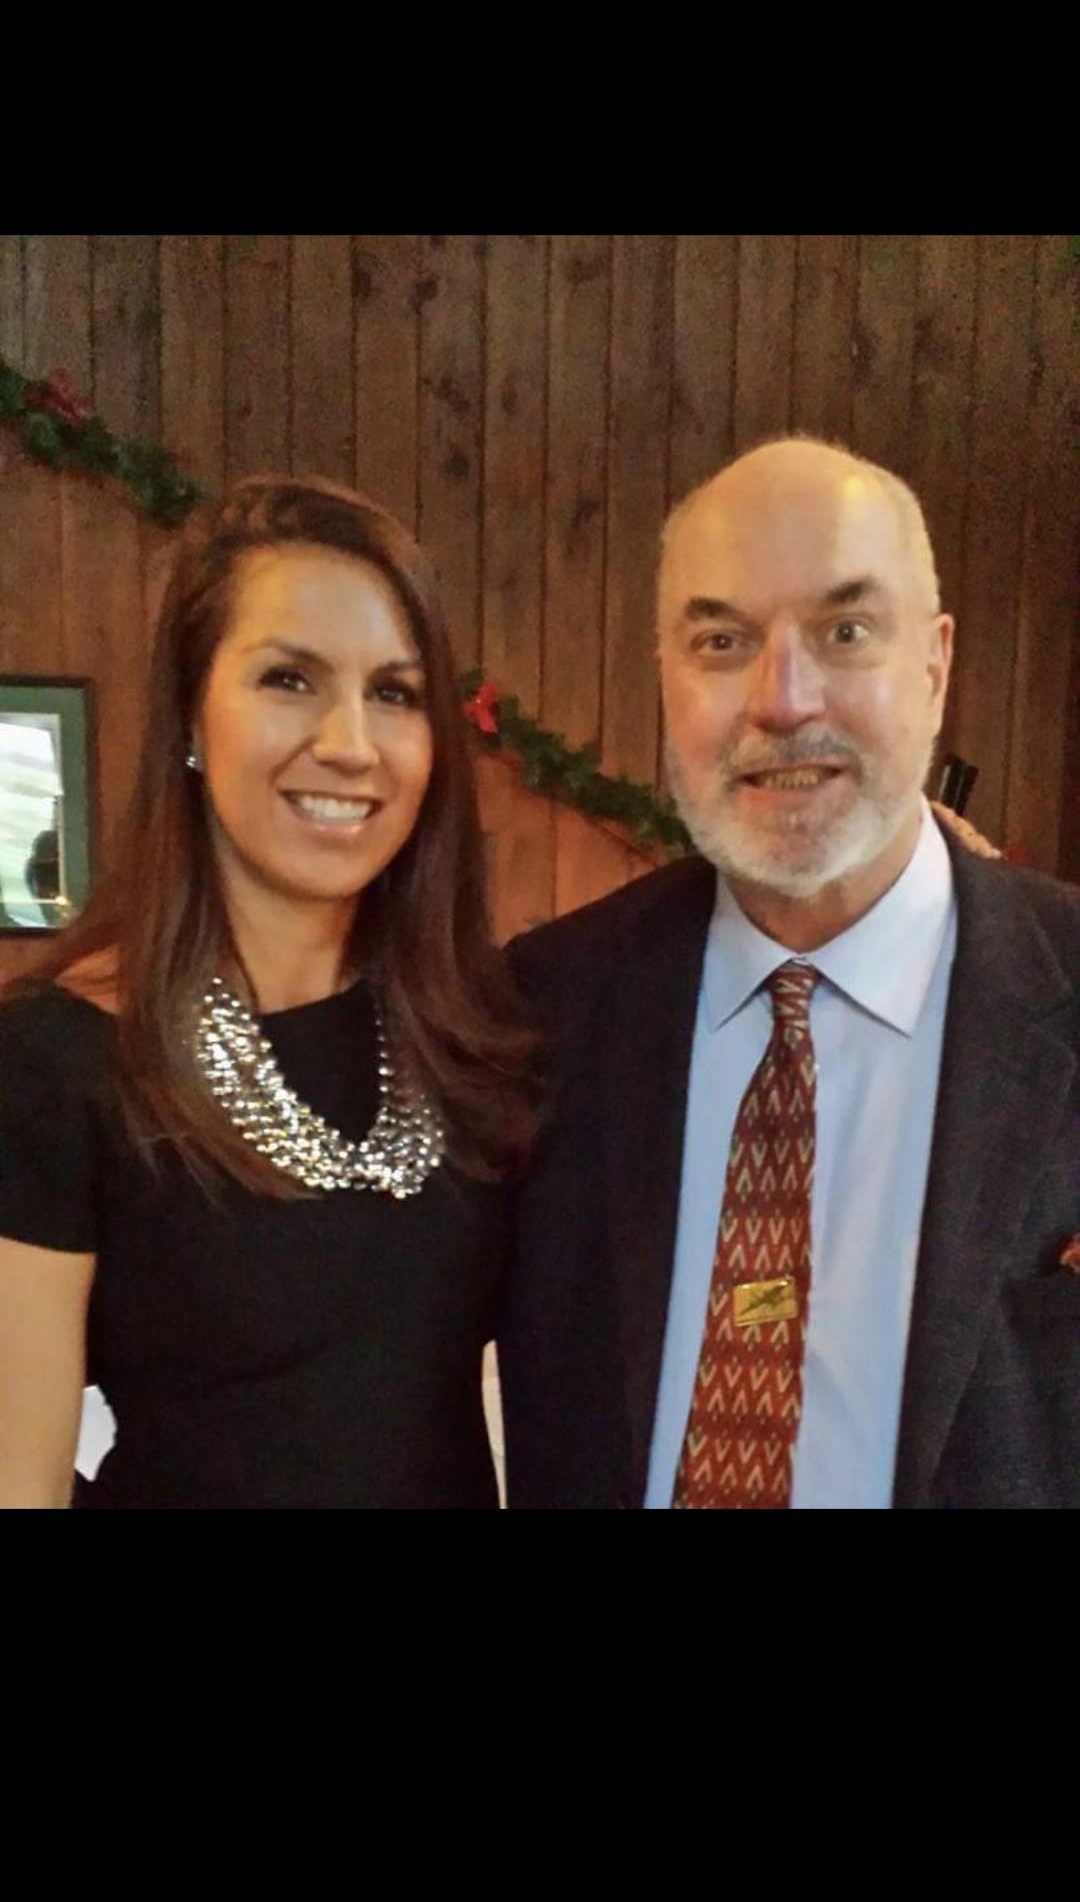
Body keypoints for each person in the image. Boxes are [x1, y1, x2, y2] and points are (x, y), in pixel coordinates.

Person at [498, 436, 1080, 1510]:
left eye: (845, 629)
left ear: (936, 664)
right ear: (667, 678)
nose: (782, 698)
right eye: (721, 639)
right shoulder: (541, 1009)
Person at [0, 476, 538, 1509]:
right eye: (290, 679)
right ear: (192, 718)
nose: (349, 742)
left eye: (395, 692)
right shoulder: (55, 1060)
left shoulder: (467, 1027)